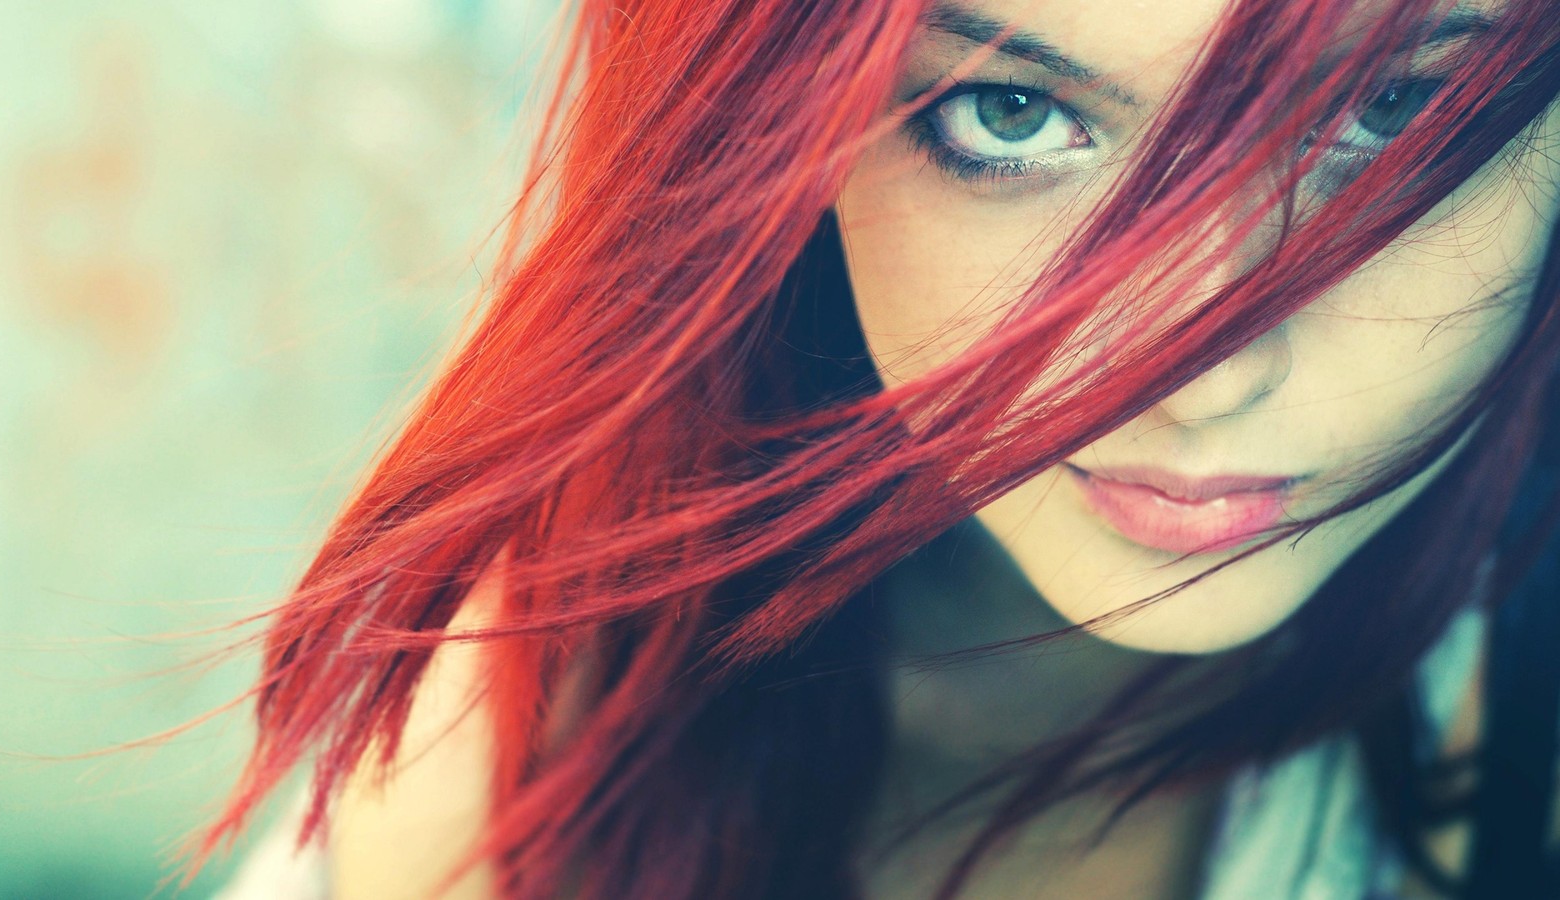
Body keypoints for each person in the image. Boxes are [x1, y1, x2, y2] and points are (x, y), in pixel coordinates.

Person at [204, 0, 1560, 897]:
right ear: (788, 150)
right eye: (1013, 114)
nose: (1202, 367)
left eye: (1391, 116)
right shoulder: (534, 738)